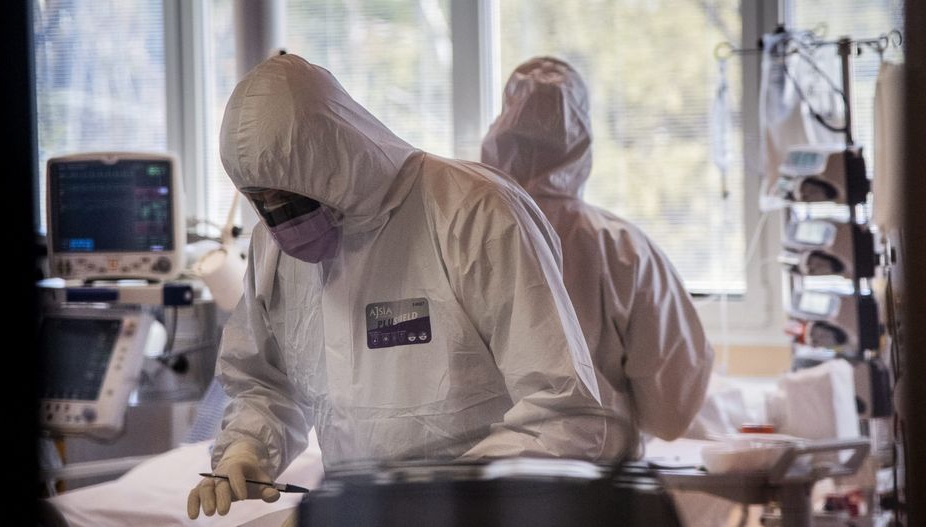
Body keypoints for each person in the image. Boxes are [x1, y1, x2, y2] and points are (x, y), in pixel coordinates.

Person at [187, 54, 629, 519]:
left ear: (334, 162)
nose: (279, 218)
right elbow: (265, 382)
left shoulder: (473, 214)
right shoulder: (272, 249)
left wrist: (419, 506)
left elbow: (561, 414)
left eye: (287, 196)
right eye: (259, 200)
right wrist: (248, 448)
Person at [481, 57, 714, 446]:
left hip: (479, 473)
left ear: (500, 132)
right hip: (596, 474)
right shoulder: (623, 250)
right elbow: (670, 414)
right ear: (581, 140)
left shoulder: (462, 237)